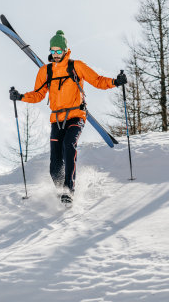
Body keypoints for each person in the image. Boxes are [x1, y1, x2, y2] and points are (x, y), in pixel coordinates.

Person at [10, 30, 127, 204]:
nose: (55, 54)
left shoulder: (76, 66)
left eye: (59, 51)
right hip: (56, 120)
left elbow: (97, 80)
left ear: (65, 50)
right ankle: (60, 191)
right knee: (55, 164)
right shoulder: (45, 71)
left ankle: (69, 190)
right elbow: (38, 94)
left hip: (76, 116)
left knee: (69, 145)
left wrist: (115, 82)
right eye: (53, 51)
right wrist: (20, 96)